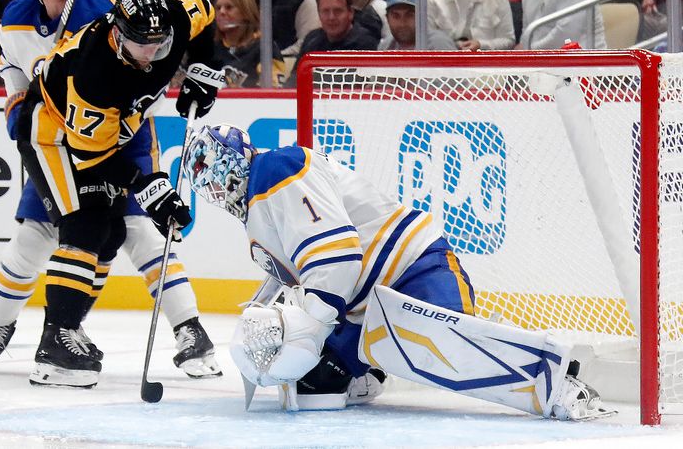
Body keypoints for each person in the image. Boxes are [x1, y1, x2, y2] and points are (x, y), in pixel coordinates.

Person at [181, 123, 614, 421]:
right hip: (364, 311)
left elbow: (337, 255)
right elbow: (297, 274)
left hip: (416, 273)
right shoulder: (258, 215)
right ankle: (370, 369)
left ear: (232, 159)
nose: (214, 188)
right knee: (314, 390)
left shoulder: (274, 168)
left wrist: (308, 327)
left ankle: (560, 379)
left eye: (212, 171)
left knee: (442, 350)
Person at [0, 0, 221, 385]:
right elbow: (88, 146)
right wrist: (150, 185)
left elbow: (201, 13)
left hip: (124, 128)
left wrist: (205, 69)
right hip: (66, 135)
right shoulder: (77, 62)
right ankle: (27, 328)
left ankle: (184, 328)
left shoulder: (143, 13)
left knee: (132, 232)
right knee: (63, 228)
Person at [287, 0, 380, 87]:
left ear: (350, 13)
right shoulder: (311, 40)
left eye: (338, 11)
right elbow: (293, 82)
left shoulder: (366, 43)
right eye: (325, 11)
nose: (331, 17)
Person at [211, 0, 286, 88]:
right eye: (218, 8)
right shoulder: (209, 47)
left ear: (246, 12)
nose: (222, 12)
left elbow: (274, 90)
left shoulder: (264, 48)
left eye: (229, 7)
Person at [381, 0, 455, 50]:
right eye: (396, 16)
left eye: (409, 15)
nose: (402, 23)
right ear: (387, 19)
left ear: (422, 16)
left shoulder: (439, 44)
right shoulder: (386, 47)